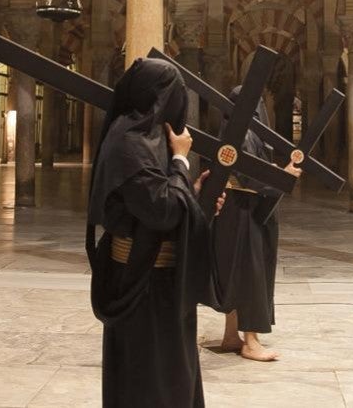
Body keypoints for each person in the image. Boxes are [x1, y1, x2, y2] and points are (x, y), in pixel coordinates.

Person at [87, 58, 224, 408]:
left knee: (170, 374)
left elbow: (158, 202)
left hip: (159, 283)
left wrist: (194, 197)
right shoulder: (130, 140)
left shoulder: (143, 137)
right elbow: (161, 210)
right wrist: (180, 161)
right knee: (149, 381)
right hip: (142, 284)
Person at [211, 87, 300, 362]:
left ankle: (229, 336)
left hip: (233, 212)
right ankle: (251, 341)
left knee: (234, 270)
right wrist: (283, 176)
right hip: (246, 211)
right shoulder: (245, 134)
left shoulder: (231, 131)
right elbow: (249, 177)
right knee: (252, 272)